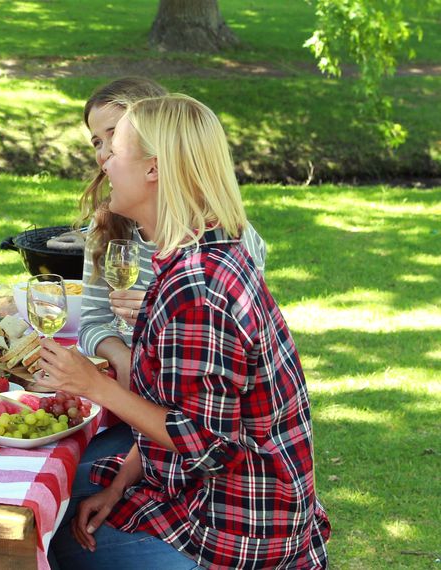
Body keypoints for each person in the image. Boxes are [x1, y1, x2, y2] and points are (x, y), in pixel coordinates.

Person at [38, 94, 329, 568]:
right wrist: (120, 483)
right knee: (69, 496)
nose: (104, 163)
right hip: (211, 494)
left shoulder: (197, 287)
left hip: (238, 529)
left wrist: (91, 385)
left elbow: (204, 442)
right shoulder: (202, 252)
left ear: (154, 169)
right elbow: (182, 414)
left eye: (116, 150)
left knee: (43, 540)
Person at [74, 78, 267, 384]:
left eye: (115, 137)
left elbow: (235, 346)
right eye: (97, 142)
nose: (104, 154)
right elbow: (92, 322)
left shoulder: (220, 247)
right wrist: (125, 360)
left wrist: (157, 312)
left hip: (180, 400)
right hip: (142, 391)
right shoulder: (109, 221)